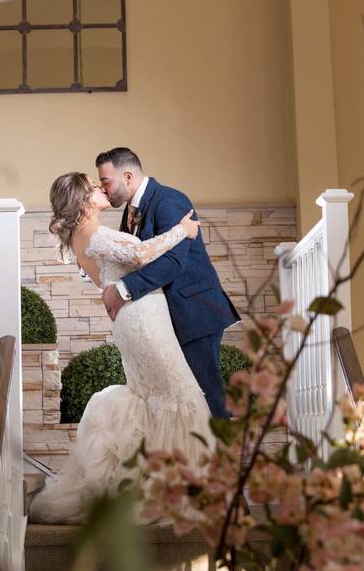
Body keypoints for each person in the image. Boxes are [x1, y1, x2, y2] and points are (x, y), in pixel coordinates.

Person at [29, 172, 214, 524]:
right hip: (143, 319)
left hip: (136, 319)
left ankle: (155, 485)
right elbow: (143, 254)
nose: (101, 188)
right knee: (178, 395)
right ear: (82, 199)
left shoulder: (82, 238)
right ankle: (177, 493)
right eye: (93, 185)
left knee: (155, 398)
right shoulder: (94, 235)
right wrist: (183, 231)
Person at [96, 147, 240, 419]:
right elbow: (130, 258)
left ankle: (223, 460)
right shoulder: (130, 211)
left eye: (106, 181)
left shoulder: (169, 200)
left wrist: (123, 291)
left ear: (127, 176)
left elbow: (173, 262)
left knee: (206, 393)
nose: (104, 189)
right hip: (164, 318)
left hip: (193, 312)